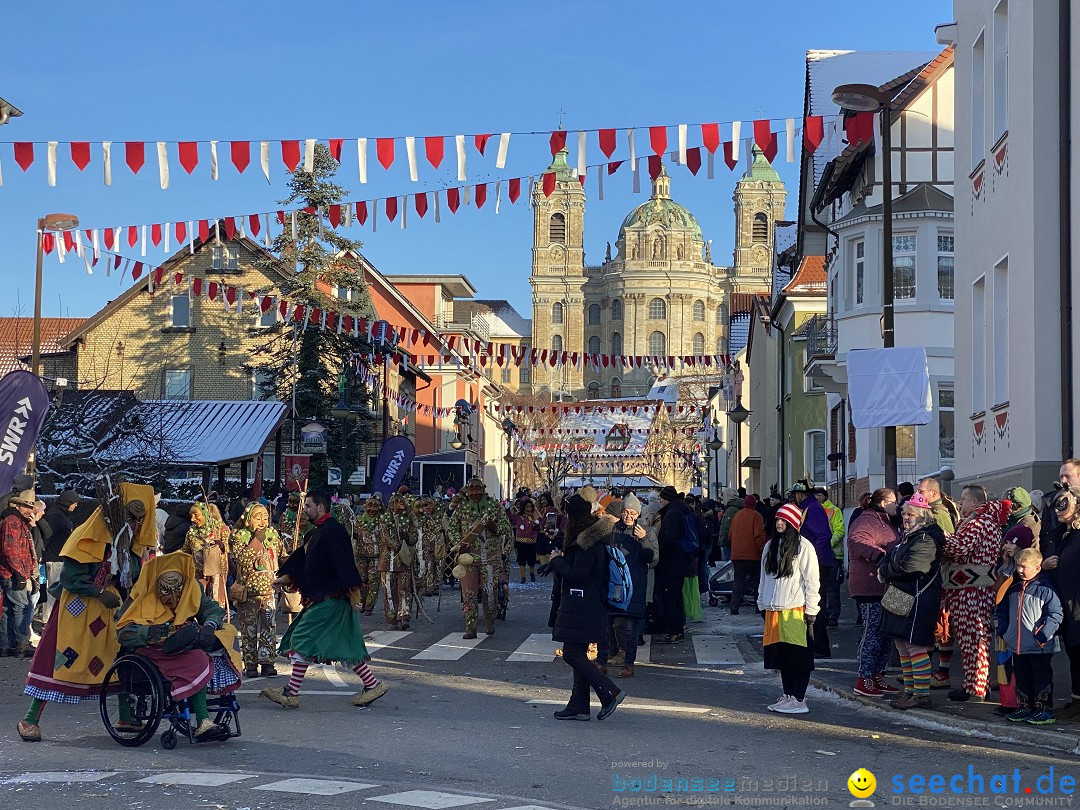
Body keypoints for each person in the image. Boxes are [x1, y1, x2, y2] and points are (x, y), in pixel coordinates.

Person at [18, 484, 154, 742]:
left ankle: (125, 714)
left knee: (116, 656)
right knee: (59, 659)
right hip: (77, 607)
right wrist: (99, 592)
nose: (135, 523)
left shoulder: (129, 542)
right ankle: (30, 718)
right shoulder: (86, 536)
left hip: (108, 609)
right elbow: (72, 577)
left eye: (139, 519)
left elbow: (133, 573)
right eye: (130, 517)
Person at [261, 489, 389, 710]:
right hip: (325, 598)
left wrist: (354, 593)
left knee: (301, 639)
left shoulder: (333, 532)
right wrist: (285, 577)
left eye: (309, 506)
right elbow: (303, 560)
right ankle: (372, 685)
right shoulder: (317, 533)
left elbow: (344, 564)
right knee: (346, 646)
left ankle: (291, 693)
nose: (306, 510)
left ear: (320, 507)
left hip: (331, 600)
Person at [116, 552, 241, 741]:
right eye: (167, 592)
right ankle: (203, 721)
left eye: (178, 592)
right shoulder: (141, 596)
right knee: (196, 658)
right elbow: (123, 632)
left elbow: (212, 609)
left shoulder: (192, 589)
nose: (174, 598)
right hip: (154, 647)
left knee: (227, 634)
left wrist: (209, 625)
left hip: (186, 638)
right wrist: (148, 632)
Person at [546, 493, 624, 721]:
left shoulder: (585, 542)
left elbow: (578, 575)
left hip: (583, 605)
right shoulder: (589, 536)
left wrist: (556, 561)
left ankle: (610, 692)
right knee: (577, 653)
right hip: (585, 604)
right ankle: (578, 706)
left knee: (571, 654)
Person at [878, 493, 945, 710]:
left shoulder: (926, 539)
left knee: (915, 646)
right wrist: (887, 567)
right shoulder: (909, 536)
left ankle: (921, 694)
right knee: (902, 645)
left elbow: (911, 567)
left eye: (911, 514)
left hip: (919, 598)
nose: (906, 518)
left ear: (922, 516)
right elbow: (890, 557)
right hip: (902, 596)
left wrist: (886, 572)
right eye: (905, 513)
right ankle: (910, 690)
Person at [942, 485, 1008, 702]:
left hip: (973, 591)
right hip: (967, 588)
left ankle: (978, 687)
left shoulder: (979, 523)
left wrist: (938, 533)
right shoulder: (978, 522)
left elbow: (959, 548)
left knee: (976, 639)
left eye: (963, 499)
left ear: (975, 502)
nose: (960, 503)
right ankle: (971, 685)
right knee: (968, 640)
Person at [758, 503, 820, 714]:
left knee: (798, 657)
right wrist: (761, 602)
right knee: (781, 657)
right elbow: (764, 578)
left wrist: (812, 609)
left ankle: (799, 698)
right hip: (774, 609)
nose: (779, 523)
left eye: (783, 520)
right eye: (777, 519)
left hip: (796, 608)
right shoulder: (770, 546)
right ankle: (788, 695)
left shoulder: (804, 547)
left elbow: (812, 581)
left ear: (793, 523)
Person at [994, 547, 1063, 725]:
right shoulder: (1013, 588)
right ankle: (1025, 705)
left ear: (1037, 568)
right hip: (1016, 644)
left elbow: (1055, 615)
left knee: (1041, 677)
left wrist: (1042, 635)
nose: (1020, 570)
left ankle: (1044, 708)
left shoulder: (1045, 589)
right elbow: (1001, 611)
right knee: (1022, 676)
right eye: (1018, 565)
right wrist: (1003, 630)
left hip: (1038, 646)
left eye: (1024, 567)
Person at [847, 488, 901, 698]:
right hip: (870, 586)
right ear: (881, 502)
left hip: (885, 586)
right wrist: (881, 557)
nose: (896, 505)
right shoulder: (867, 520)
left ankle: (878, 676)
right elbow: (856, 541)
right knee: (873, 633)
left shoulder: (885, 519)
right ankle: (864, 678)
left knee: (885, 634)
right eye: (893, 501)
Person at [447, 478, 512, 639]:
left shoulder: (494, 506)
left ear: (483, 489)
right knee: (468, 593)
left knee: (490, 592)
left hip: (490, 558)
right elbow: (452, 528)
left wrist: (493, 526)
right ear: (468, 491)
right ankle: (470, 628)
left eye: (478, 489)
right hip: (468, 558)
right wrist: (458, 543)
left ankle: (490, 622)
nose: (475, 493)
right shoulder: (461, 508)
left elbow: (506, 526)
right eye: (472, 489)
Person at [229, 502, 282, 678]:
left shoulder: (272, 534)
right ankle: (250, 665)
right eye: (257, 517)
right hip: (248, 592)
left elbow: (280, 555)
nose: (262, 522)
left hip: (268, 590)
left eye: (265, 517)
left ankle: (267, 663)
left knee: (269, 627)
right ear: (248, 519)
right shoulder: (239, 536)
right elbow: (242, 560)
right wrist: (257, 540)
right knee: (249, 630)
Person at [1041, 485, 1080, 719]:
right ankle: (1077, 700)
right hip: (1067, 604)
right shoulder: (1063, 535)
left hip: (1077, 604)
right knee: (1074, 652)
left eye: (1062, 505)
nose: (1057, 510)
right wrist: (1046, 564)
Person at [606, 494, 655, 678]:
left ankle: (629, 664)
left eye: (633, 512)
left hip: (634, 583)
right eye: (626, 511)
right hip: (613, 583)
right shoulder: (612, 530)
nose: (629, 516)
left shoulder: (645, 531)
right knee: (608, 622)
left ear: (638, 514)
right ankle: (606, 658)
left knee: (630, 626)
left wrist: (644, 540)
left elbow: (651, 558)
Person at [792, 481, 834, 658]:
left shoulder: (812, 508)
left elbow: (823, 535)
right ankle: (814, 644)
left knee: (815, 604)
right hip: (813, 561)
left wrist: (814, 559)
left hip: (817, 563)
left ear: (800, 494)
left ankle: (820, 646)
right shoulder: (808, 507)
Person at [0, 487, 39, 657]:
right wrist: (20, 573)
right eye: (26, 506)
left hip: (11, 572)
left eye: (31, 507)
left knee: (10, 609)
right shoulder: (13, 521)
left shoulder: (17, 521)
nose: (29, 510)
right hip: (13, 573)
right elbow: (11, 549)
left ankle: (7, 645)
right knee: (21, 608)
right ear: (17, 505)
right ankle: (21, 644)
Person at [654, 486, 691, 643]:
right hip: (678, 563)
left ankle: (673, 631)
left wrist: (659, 554)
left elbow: (670, 538)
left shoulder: (672, 513)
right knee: (674, 597)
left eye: (661, 499)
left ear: (667, 499)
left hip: (672, 564)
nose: (659, 502)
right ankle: (676, 629)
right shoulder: (678, 510)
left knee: (671, 597)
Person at [41, 490, 79, 626]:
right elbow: (47, 536)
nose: (75, 507)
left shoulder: (57, 514)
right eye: (74, 504)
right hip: (54, 558)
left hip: (56, 557)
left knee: (53, 588)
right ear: (67, 503)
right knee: (53, 589)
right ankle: (48, 620)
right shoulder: (58, 517)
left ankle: (50, 619)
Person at [380, 493, 418, 630]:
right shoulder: (384, 518)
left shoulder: (410, 519)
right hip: (387, 561)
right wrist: (397, 546)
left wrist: (406, 536)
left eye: (400, 503)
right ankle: (392, 618)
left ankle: (404, 617)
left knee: (404, 590)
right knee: (389, 591)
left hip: (404, 561)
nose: (397, 506)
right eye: (394, 503)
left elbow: (414, 538)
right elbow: (385, 537)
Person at [183, 503, 228, 609]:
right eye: (191, 516)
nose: (193, 519)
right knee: (198, 602)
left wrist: (220, 544)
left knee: (215, 603)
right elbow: (186, 550)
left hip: (216, 573)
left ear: (206, 514)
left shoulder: (221, 529)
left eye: (195, 515)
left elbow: (228, 549)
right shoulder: (192, 532)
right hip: (199, 573)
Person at [728, 495, 766, 615]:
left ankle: (734, 607)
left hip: (736, 555)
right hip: (752, 555)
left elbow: (730, 535)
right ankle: (758, 606)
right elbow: (758, 535)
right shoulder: (756, 515)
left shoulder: (737, 515)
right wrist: (762, 550)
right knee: (756, 581)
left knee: (737, 581)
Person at [277, 492, 310, 624]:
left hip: (300, 553)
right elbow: (280, 532)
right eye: (290, 502)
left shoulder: (304, 516)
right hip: (286, 553)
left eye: (295, 502)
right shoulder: (284, 515)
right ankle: (288, 613)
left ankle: (299, 612)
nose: (291, 505)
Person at [816, 488, 846, 627]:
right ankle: (823, 613)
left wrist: (827, 544)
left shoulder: (834, 510)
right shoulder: (812, 510)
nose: (817, 497)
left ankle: (833, 614)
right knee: (820, 587)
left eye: (819, 495)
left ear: (825, 497)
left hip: (833, 554)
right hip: (818, 553)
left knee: (833, 587)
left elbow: (839, 530)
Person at [352, 497, 383, 615]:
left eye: (375, 506)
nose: (372, 509)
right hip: (360, 556)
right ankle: (362, 602)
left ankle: (369, 606)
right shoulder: (359, 520)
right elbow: (353, 535)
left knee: (373, 582)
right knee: (361, 580)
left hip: (376, 556)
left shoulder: (382, 521)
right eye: (370, 506)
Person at [415, 496, 446, 596]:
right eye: (425, 505)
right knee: (428, 566)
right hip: (426, 546)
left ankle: (437, 586)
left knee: (439, 566)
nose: (428, 507)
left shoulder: (439, 516)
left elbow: (442, 528)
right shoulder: (421, 517)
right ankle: (429, 586)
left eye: (430, 505)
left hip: (438, 545)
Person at [512, 500, 540, 584]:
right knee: (521, 560)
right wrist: (507, 509)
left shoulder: (535, 516)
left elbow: (539, 528)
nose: (529, 508)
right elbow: (510, 518)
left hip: (532, 541)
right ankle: (523, 577)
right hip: (521, 541)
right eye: (527, 507)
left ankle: (531, 573)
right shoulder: (518, 516)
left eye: (530, 507)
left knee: (532, 559)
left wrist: (537, 524)